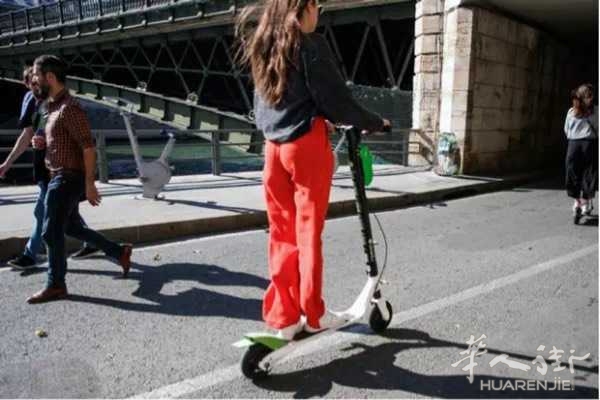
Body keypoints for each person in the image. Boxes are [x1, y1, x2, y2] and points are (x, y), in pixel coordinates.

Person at [235, 0, 390, 339]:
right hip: (305, 149)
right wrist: (376, 123)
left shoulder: (265, 43)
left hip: (273, 149)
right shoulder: (309, 45)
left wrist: (314, 117)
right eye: (317, 5)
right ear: (303, 7)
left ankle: (286, 315)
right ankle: (314, 314)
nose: (319, 12)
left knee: (281, 234)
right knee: (307, 233)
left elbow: (274, 103)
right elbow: (338, 101)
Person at [26, 55, 132, 304]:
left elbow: (88, 147)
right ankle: (119, 252)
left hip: (67, 178)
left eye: (36, 76)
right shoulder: (52, 107)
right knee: (72, 228)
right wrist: (42, 143)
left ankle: (56, 285)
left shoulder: (69, 108)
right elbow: (62, 142)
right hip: (58, 175)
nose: (34, 80)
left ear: (50, 77)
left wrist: (90, 184)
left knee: (50, 232)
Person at [0, 66, 99, 270]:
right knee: (68, 215)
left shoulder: (60, 103)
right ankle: (100, 245)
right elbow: (28, 135)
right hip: (44, 166)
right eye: (32, 83)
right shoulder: (32, 102)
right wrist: (7, 163)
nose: (35, 86)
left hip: (60, 169)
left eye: (38, 81)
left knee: (42, 212)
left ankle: (31, 256)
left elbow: (78, 140)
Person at [564, 83, 598, 220]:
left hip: (574, 144)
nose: (591, 98)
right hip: (588, 144)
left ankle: (579, 201)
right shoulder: (595, 111)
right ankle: (583, 201)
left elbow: (566, 129)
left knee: (575, 172)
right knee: (587, 172)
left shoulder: (572, 111)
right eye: (589, 95)